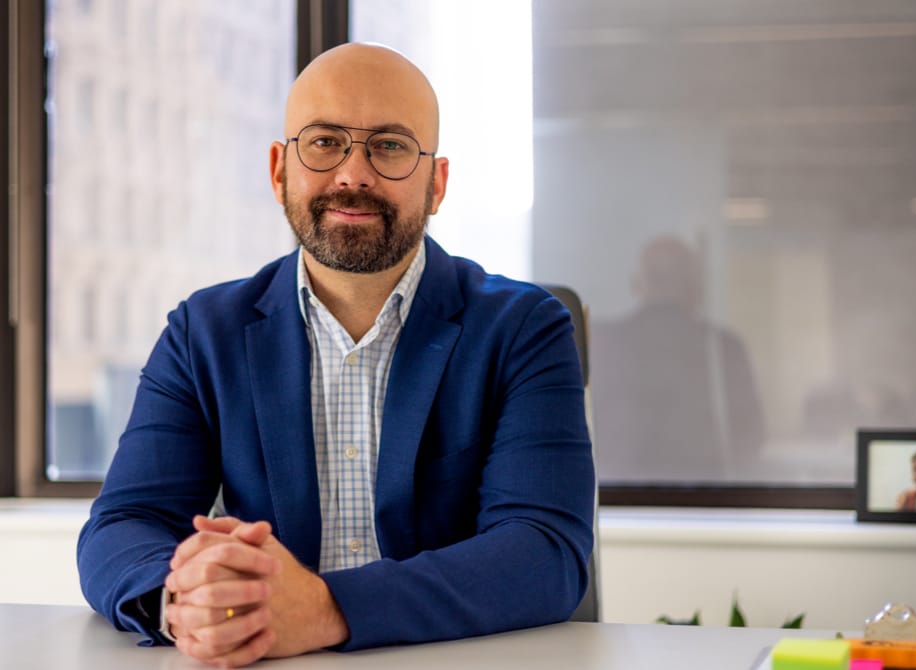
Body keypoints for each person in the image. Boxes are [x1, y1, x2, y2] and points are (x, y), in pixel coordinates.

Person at [77, 43, 594, 668]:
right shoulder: (202, 332)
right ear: (279, 170)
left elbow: (544, 553)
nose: (353, 175)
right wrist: (186, 600)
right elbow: (124, 524)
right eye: (324, 142)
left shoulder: (524, 329)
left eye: (391, 145)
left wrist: (325, 608)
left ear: (437, 184)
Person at [590, 236, 764, 481]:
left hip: (617, 500)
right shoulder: (725, 348)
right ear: (696, 289)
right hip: (707, 501)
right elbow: (751, 437)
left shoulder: (601, 343)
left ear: (637, 284)